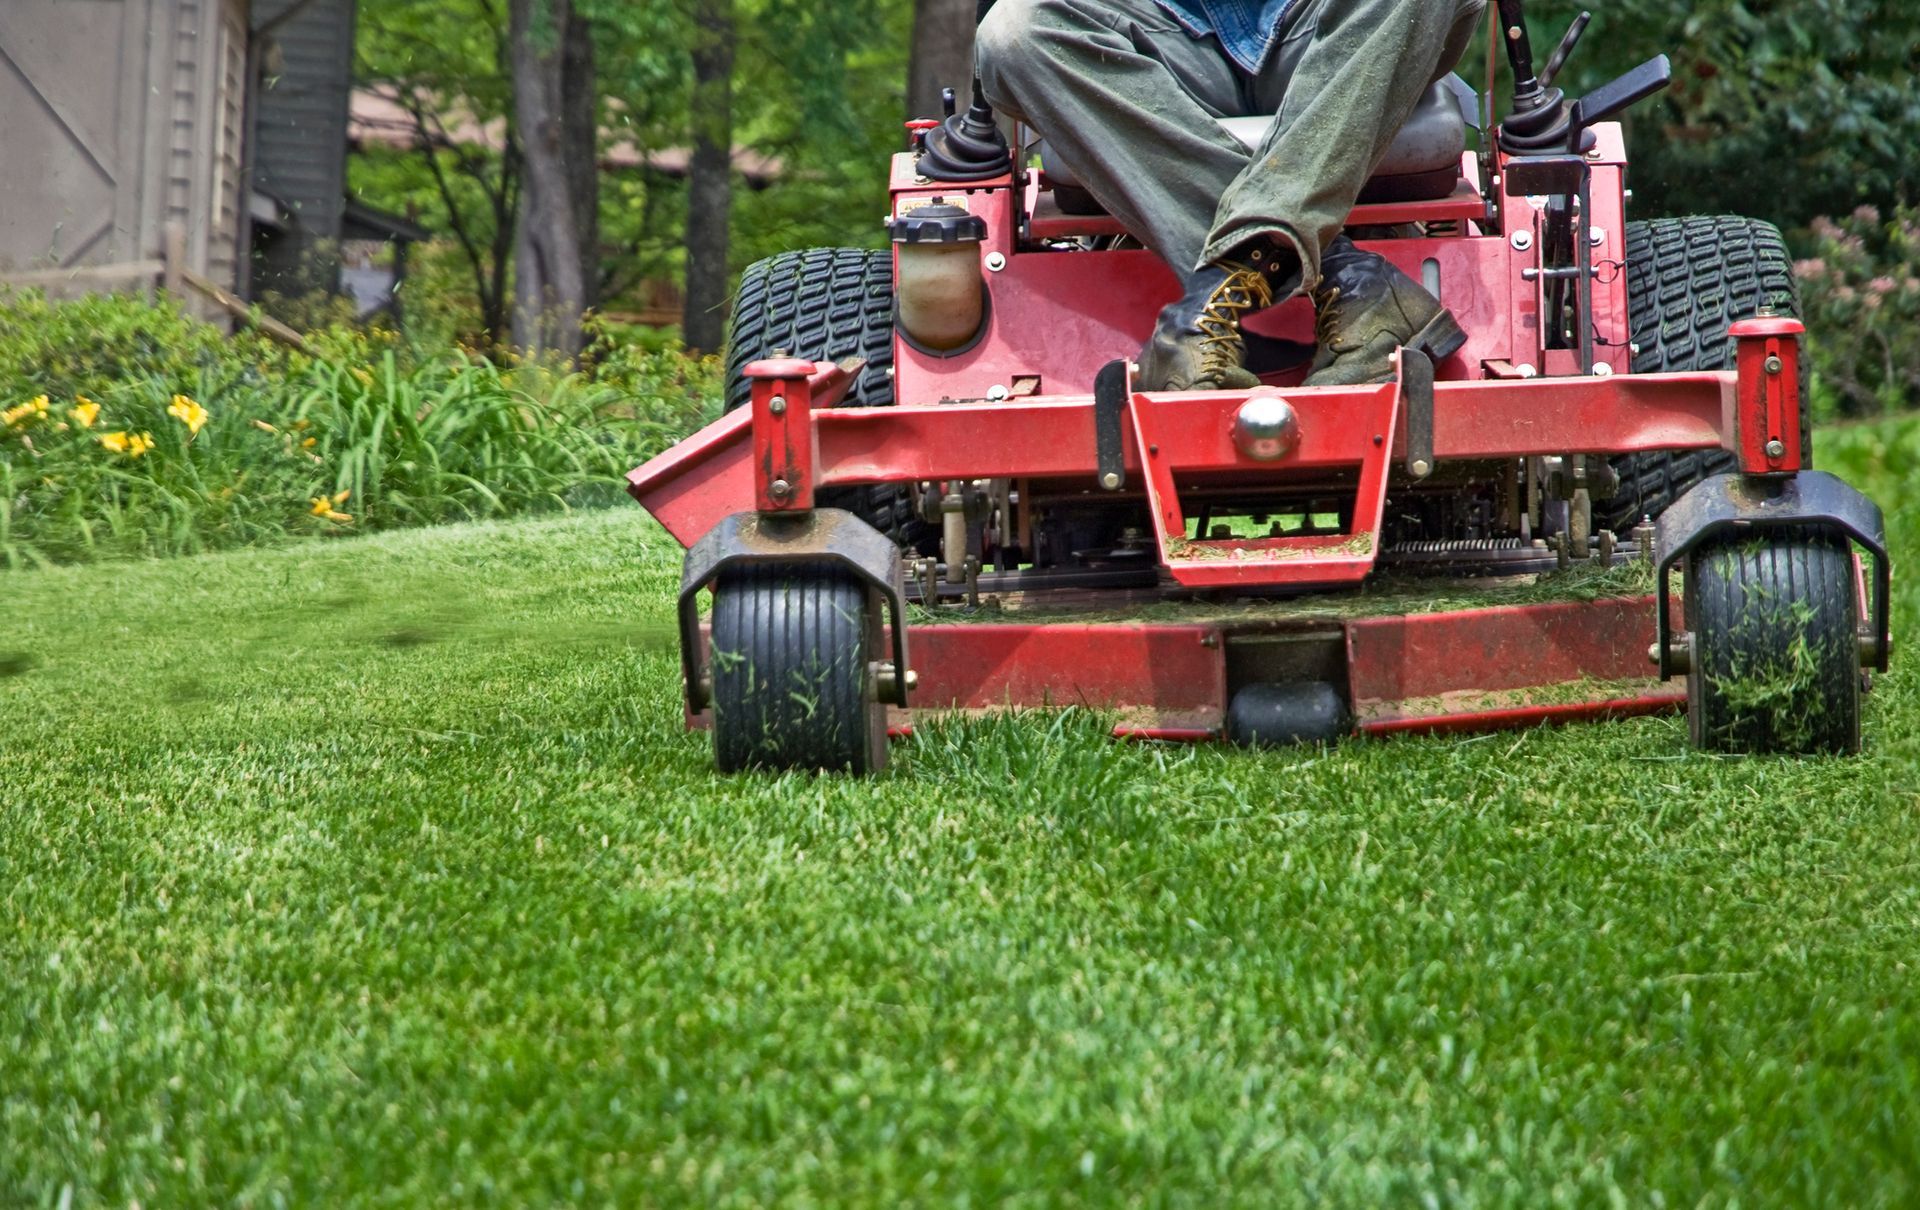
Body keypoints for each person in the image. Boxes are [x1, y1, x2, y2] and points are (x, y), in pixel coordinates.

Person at [974, 0, 1487, 390]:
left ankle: (1213, 296)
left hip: (1337, 31)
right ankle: (1346, 277)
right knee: (1014, 32)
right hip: (1159, 40)